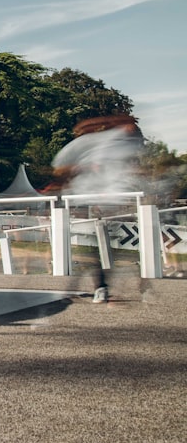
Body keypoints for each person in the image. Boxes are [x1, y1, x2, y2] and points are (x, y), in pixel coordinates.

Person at [51, 114, 144, 303]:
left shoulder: (108, 142)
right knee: (96, 247)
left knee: (105, 245)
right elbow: (66, 170)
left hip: (105, 197)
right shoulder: (97, 143)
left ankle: (104, 285)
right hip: (97, 198)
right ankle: (101, 286)